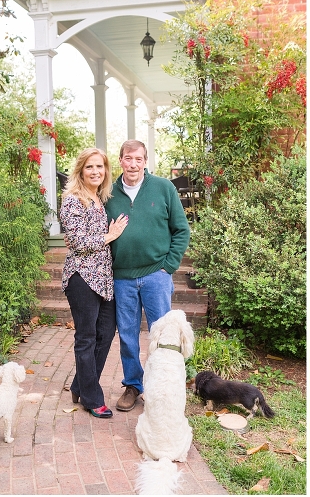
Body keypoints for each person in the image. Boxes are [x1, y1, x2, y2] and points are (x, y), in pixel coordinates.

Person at [106, 140, 191, 412]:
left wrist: (169, 265)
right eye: (128, 158)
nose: (133, 164)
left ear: (145, 161)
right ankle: (133, 385)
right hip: (123, 278)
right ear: (120, 160)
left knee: (164, 334)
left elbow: (182, 230)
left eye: (138, 159)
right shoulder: (108, 194)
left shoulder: (164, 188)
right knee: (128, 334)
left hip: (157, 274)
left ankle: (162, 386)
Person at [60, 148, 129, 418]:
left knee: (106, 333)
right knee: (86, 338)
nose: (96, 172)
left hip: (104, 278)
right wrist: (110, 236)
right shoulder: (72, 200)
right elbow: (77, 242)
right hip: (82, 277)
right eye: (90, 167)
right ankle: (91, 397)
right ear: (80, 170)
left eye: (100, 167)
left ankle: (79, 384)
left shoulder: (100, 198)